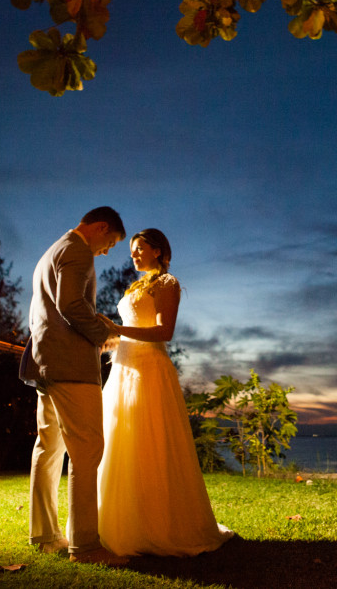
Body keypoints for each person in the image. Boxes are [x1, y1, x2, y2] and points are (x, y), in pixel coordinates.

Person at [97, 228, 234, 557]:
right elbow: (133, 334)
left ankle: (159, 525)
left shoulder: (166, 284)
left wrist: (115, 327)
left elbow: (163, 331)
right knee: (121, 442)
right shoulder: (137, 285)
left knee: (151, 442)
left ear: (158, 251)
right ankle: (118, 523)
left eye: (140, 248)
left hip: (150, 372)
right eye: (132, 250)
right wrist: (106, 342)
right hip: (124, 370)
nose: (133, 255)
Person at [19, 206, 129, 566]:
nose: (107, 251)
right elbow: (70, 304)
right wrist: (103, 335)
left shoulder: (52, 250)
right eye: (110, 242)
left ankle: (45, 534)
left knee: (48, 447)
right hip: (70, 367)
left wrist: (97, 323)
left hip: (45, 362)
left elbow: (54, 308)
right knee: (86, 451)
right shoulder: (78, 250)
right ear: (100, 228)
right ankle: (85, 547)